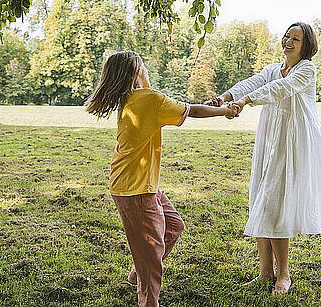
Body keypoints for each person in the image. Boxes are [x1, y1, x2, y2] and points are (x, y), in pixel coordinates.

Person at [86, 51, 238, 307]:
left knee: (174, 225)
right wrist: (225, 111)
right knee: (151, 260)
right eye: (144, 66)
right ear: (137, 72)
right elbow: (194, 112)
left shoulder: (133, 99)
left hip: (140, 184)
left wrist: (212, 107)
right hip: (135, 190)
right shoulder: (149, 100)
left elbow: (184, 108)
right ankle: (146, 288)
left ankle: (140, 268)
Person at [206, 22, 321, 295]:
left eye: (296, 38)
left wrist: (245, 101)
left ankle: (283, 275)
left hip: (292, 141)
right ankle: (265, 272)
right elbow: (256, 81)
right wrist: (225, 97)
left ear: (306, 45)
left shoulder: (306, 69)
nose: (288, 41)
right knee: (261, 198)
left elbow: (280, 89)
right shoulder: (273, 68)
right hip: (269, 139)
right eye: (287, 36)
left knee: (276, 203)